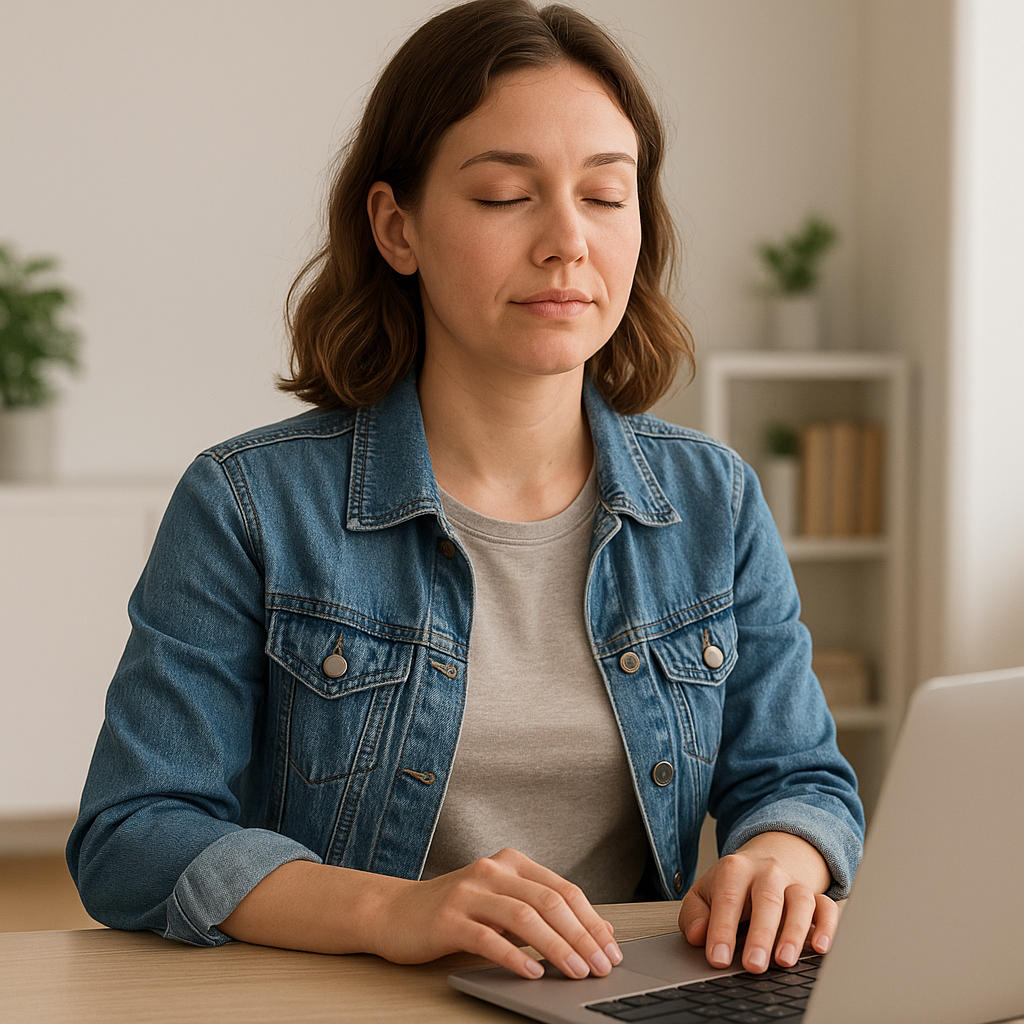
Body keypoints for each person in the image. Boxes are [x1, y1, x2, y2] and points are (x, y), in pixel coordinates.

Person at [68, 0, 864, 984]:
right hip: (347, 997)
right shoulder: (247, 503)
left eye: (606, 196)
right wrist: (391, 910)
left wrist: (780, 858)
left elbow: (797, 781)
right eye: (502, 196)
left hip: (608, 997)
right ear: (396, 227)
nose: (566, 241)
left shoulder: (716, 501)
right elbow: (134, 833)